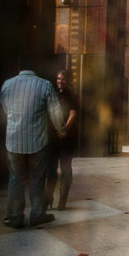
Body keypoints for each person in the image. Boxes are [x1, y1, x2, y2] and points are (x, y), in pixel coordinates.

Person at [0, 51, 66, 228]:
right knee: (37, 178)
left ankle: (14, 216)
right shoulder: (44, 85)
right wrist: (61, 129)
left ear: (18, 67)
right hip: (38, 142)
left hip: (14, 141)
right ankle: (37, 214)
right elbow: (55, 112)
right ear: (35, 66)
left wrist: (17, 120)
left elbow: (6, 108)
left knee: (16, 178)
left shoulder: (7, 85)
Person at [45, 70, 79, 211]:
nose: (60, 81)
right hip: (53, 138)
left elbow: (73, 113)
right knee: (51, 168)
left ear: (69, 80)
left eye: (63, 79)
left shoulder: (72, 96)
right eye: (58, 78)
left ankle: (62, 200)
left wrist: (64, 129)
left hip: (67, 138)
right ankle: (48, 198)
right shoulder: (53, 94)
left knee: (65, 168)